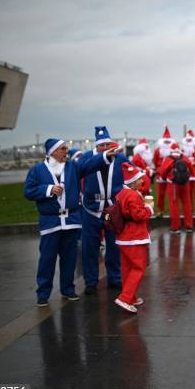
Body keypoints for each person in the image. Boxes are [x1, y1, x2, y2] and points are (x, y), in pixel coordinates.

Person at [24, 138, 116, 306]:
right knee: (47, 259)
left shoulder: (73, 166)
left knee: (69, 258)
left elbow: (90, 164)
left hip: (71, 221)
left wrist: (104, 156)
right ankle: (43, 294)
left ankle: (68, 290)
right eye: (63, 149)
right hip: (50, 222)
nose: (67, 151)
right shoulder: (37, 170)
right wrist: (48, 189)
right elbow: (28, 191)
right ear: (52, 151)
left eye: (66, 148)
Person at [78, 126, 129, 295]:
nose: (106, 148)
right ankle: (90, 281)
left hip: (113, 208)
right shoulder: (86, 158)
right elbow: (77, 174)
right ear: (96, 146)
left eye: (108, 145)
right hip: (91, 209)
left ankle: (115, 278)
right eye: (102, 146)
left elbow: (133, 175)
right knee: (89, 247)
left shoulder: (120, 158)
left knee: (114, 246)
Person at [113, 162, 154, 314]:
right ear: (132, 181)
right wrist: (149, 208)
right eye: (139, 179)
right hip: (134, 237)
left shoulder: (122, 193)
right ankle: (125, 298)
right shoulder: (132, 195)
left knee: (127, 268)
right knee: (138, 267)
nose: (142, 181)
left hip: (123, 237)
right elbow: (138, 215)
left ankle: (131, 297)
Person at [159, 142, 194, 233]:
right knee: (187, 204)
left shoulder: (168, 159)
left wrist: (163, 178)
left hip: (173, 185)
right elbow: (191, 169)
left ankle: (176, 227)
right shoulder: (185, 158)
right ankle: (189, 226)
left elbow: (162, 172)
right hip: (185, 184)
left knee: (174, 205)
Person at [153, 126, 174, 217]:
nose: (167, 143)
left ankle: (172, 211)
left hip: (170, 175)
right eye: (165, 141)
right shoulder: (158, 151)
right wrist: (159, 170)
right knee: (160, 195)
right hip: (161, 176)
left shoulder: (173, 151)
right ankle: (160, 210)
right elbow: (155, 161)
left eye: (168, 141)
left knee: (171, 195)